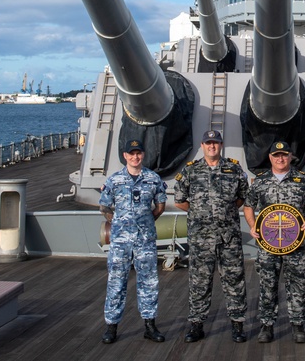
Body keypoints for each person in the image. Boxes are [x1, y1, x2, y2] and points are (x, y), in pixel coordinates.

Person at [173, 130, 250, 343]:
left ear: (221, 145)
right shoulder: (190, 171)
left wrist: (224, 213)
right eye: (208, 143)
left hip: (229, 238)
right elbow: (180, 200)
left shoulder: (234, 169)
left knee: (234, 280)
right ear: (202, 145)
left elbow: (242, 197)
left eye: (215, 143)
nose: (212, 146)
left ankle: (237, 325)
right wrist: (200, 213)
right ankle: (197, 326)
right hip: (201, 238)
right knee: (200, 282)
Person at [243, 141, 305, 344]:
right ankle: (267, 326)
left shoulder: (301, 179)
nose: (280, 159)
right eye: (276, 155)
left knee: (297, 285)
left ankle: (297, 325)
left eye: (284, 155)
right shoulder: (260, 181)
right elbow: (248, 206)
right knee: (267, 284)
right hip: (267, 245)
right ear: (270, 157)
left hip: (295, 243)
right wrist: (253, 226)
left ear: (290, 156)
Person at [98, 139, 168, 344]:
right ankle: (111, 326)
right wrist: (120, 224)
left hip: (145, 240)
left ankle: (150, 325)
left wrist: (145, 222)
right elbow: (104, 207)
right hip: (120, 241)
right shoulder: (114, 180)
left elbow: (160, 205)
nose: (135, 157)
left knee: (148, 282)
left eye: (138, 153)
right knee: (116, 282)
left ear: (142, 155)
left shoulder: (153, 179)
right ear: (125, 156)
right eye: (132, 154)